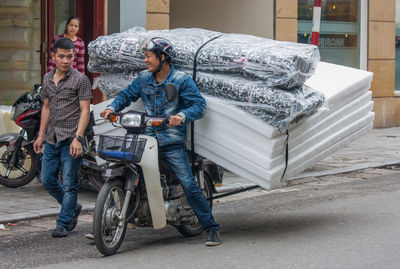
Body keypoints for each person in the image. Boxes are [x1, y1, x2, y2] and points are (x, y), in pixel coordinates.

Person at [100, 37, 221, 246]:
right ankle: (106, 225)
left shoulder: (181, 80)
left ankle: (211, 229)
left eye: (149, 56)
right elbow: (126, 95)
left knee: (188, 183)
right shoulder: (143, 78)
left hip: (171, 141)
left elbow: (199, 106)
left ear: (162, 57)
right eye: (145, 56)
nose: (146, 60)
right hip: (146, 138)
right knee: (125, 169)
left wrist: (182, 116)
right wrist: (112, 108)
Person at [34, 37, 92, 238]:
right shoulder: (47, 79)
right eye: (61, 57)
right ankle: (72, 208)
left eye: (69, 57)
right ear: (53, 57)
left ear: (74, 57)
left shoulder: (81, 80)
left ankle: (63, 223)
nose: (66, 61)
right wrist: (40, 135)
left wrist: (78, 137)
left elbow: (85, 111)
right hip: (51, 138)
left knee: (69, 183)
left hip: (71, 139)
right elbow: (47, 107)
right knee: (47, 179)